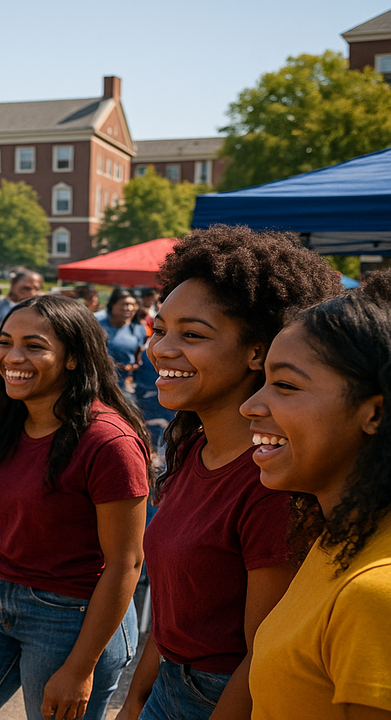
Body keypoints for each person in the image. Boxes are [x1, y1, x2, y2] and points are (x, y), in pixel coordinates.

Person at [115, 228, 340, 720]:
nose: (161, 349)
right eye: (159, 329)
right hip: (168, 685)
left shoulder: (272, 481)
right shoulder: (192, 447)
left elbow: (262, 654)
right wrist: (136, 698)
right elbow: (172, 616)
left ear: (257, 352)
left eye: (192, 335)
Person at [0, 294, 149, 720]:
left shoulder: (109, 443)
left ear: (73, 359)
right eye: (5, 342)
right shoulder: (5, 418)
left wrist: (81, 669)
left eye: (35, 345)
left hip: (72, 619)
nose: (12, 357)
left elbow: (126, 564)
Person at [240, 273, 391, 720]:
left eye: (285, 386)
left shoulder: (374, 594)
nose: (251, 406)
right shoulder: (339, 536)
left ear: (375, 413)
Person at [98, 287, 147, 393]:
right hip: (100, 383)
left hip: (125, 385)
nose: (128, 308)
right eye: (124, 304)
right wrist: (112, 365)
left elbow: (138, 356)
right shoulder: (97, 326)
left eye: (132, 305)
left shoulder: (138, 330)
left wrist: (134, 366)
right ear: (113, 305)